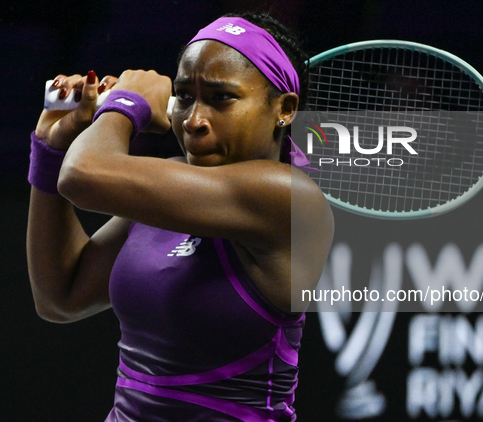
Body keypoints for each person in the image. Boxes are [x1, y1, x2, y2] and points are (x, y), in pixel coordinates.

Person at [26, 12, 334, 421]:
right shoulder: (171, 185)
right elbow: (61, 296)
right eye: (185, 96)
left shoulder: (288, 198)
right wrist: (50, 149)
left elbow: (83, 175)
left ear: (285, 108)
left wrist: (125, 104)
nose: (194, 121)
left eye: (222, 98)